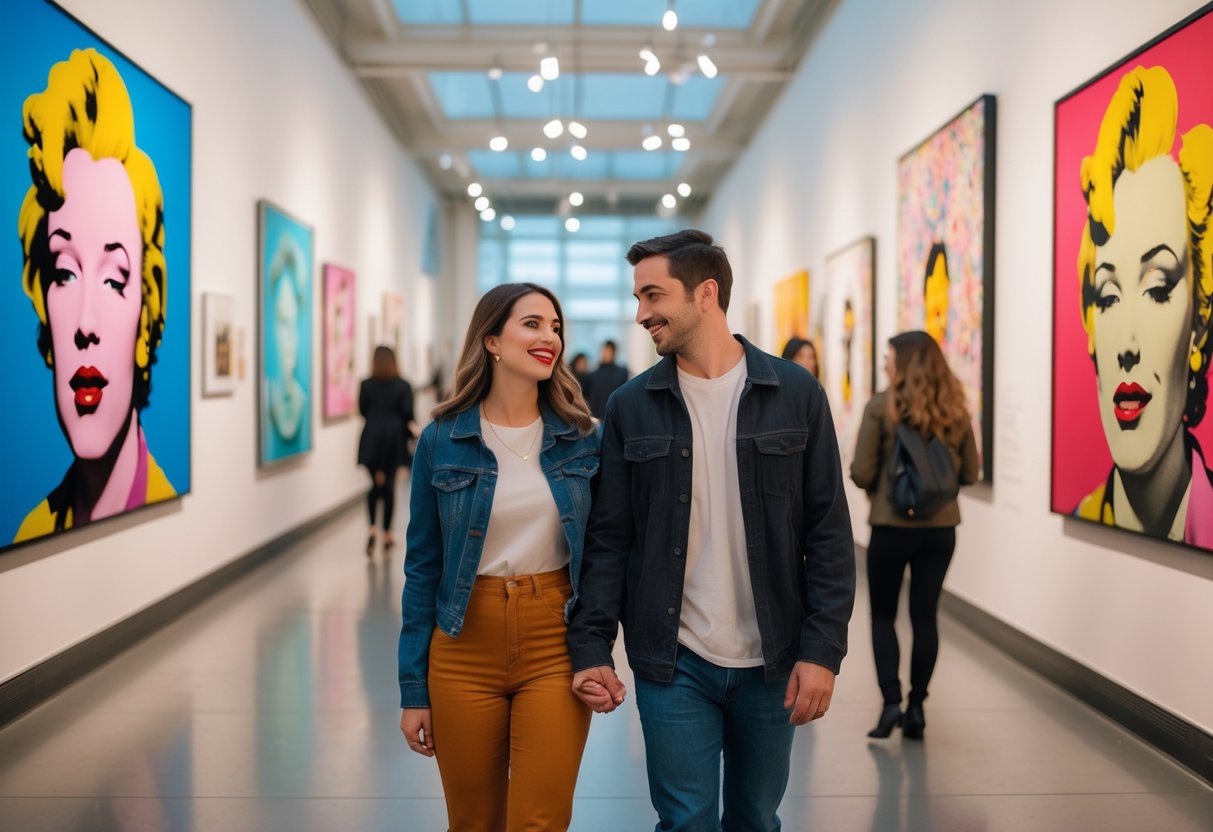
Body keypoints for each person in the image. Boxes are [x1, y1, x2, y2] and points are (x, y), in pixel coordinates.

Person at [567, 229, 856, 831]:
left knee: (756, 818)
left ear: (705, 294)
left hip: (773, 657)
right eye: (638, 297)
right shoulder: (630, 405)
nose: (641, 313)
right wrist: (592, 644)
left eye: (653, 295)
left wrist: (821, 650)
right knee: (685, 821)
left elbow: (827, 532)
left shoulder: (795, 393)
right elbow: (610, 539)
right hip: (674, 658)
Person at [398, 283, 599, 831]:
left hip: (553, 639)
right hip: (463, 644)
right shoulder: (442, 440)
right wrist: (413, 690)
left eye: (555, 326)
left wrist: (599, 646)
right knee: (473, 822)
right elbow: (422, 569)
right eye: (532, 324)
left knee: (540, 820)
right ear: (491, 339)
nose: (549, 337)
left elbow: (607, 553)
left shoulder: (584, 439)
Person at [14, 48, 176, 543]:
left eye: (113, 278)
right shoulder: (31, 531)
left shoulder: (160, 509)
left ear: (146, 311)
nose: (85, 324)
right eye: (64, 274)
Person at [1072, 65, 1213, 546]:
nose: (1126, 346)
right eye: (1108, 297)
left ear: (1198, 324)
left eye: (1157, 289)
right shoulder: (1083, 513)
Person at [850, 331, 978, 740]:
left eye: (889, 356)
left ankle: (891, 703)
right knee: (925, 617)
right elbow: (971, 474)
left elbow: (863, 471)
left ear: (902, 362)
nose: (885, 362)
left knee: (883, 614)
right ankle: (918, 706)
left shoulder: (880, 407)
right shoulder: (955, 410)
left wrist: (878, 485)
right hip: (940, 531)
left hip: (891, 528)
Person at [358, 346, 414, 556]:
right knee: (389, 486)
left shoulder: (366, 384)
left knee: (375, 484)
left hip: (371, 438)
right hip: (393, 439)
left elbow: (363, 410)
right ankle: (387, 534)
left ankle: (372, 528)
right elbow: (408, 413)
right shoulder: (403, 385)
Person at [583, 339, 629, 419]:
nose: (605, 353)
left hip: (613, 415)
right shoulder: (593, 374)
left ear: (614, 353)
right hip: (595, 416)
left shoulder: (622, 373)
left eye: (609, 351)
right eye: (605, 350)